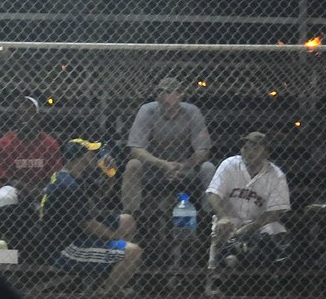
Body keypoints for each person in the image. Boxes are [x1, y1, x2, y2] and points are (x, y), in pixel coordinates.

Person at [39, 138, 142, 299]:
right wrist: (115, 237)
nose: (93, 156)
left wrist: (109, 176)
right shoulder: (67, 185)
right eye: (89, 153)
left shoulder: (72, 178)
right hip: (66, 248)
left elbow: (95, 202)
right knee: (133, 252)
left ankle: (113, 281)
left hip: (77, 236)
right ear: (81, 157)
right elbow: (88, 224)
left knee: (127, 221)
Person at [124, 75, 211, 217]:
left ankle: (209, 217)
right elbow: (136, 150)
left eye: (170, 92)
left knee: (208, 167)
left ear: (180, 94)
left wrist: (185, 165)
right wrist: (163, 165)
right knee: (133, 165)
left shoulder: (191, 112)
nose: (165, 96)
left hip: (184, 168)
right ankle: (131, 216)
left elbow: (203, 150)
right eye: (161, 92)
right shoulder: (147, 110)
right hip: (153, 169)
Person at [207, 131, 293, 267]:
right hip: (230, 221)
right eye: (246, 147)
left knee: (276, 230)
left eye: (255, 148)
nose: (249, 152)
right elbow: (213, 194)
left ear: (265, 153)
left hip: (259, 225)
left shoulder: (276, 175)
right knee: (221, 229)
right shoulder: (229, 164)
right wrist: (223, 217)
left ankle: (269, 272)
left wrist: (249, 228)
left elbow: (274, 213)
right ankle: (216, 271)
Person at [0, 95, 62, 191]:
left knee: (53, 190)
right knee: (4, 193)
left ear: (38, 117)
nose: (24, 117)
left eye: (29, 113)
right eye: (20, 113)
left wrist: (36, 191)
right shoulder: (5, 143)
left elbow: (53, 177)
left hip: (41, 190)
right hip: (15, 190)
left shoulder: (50, 143)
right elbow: (3, 178)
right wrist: (25, 189)